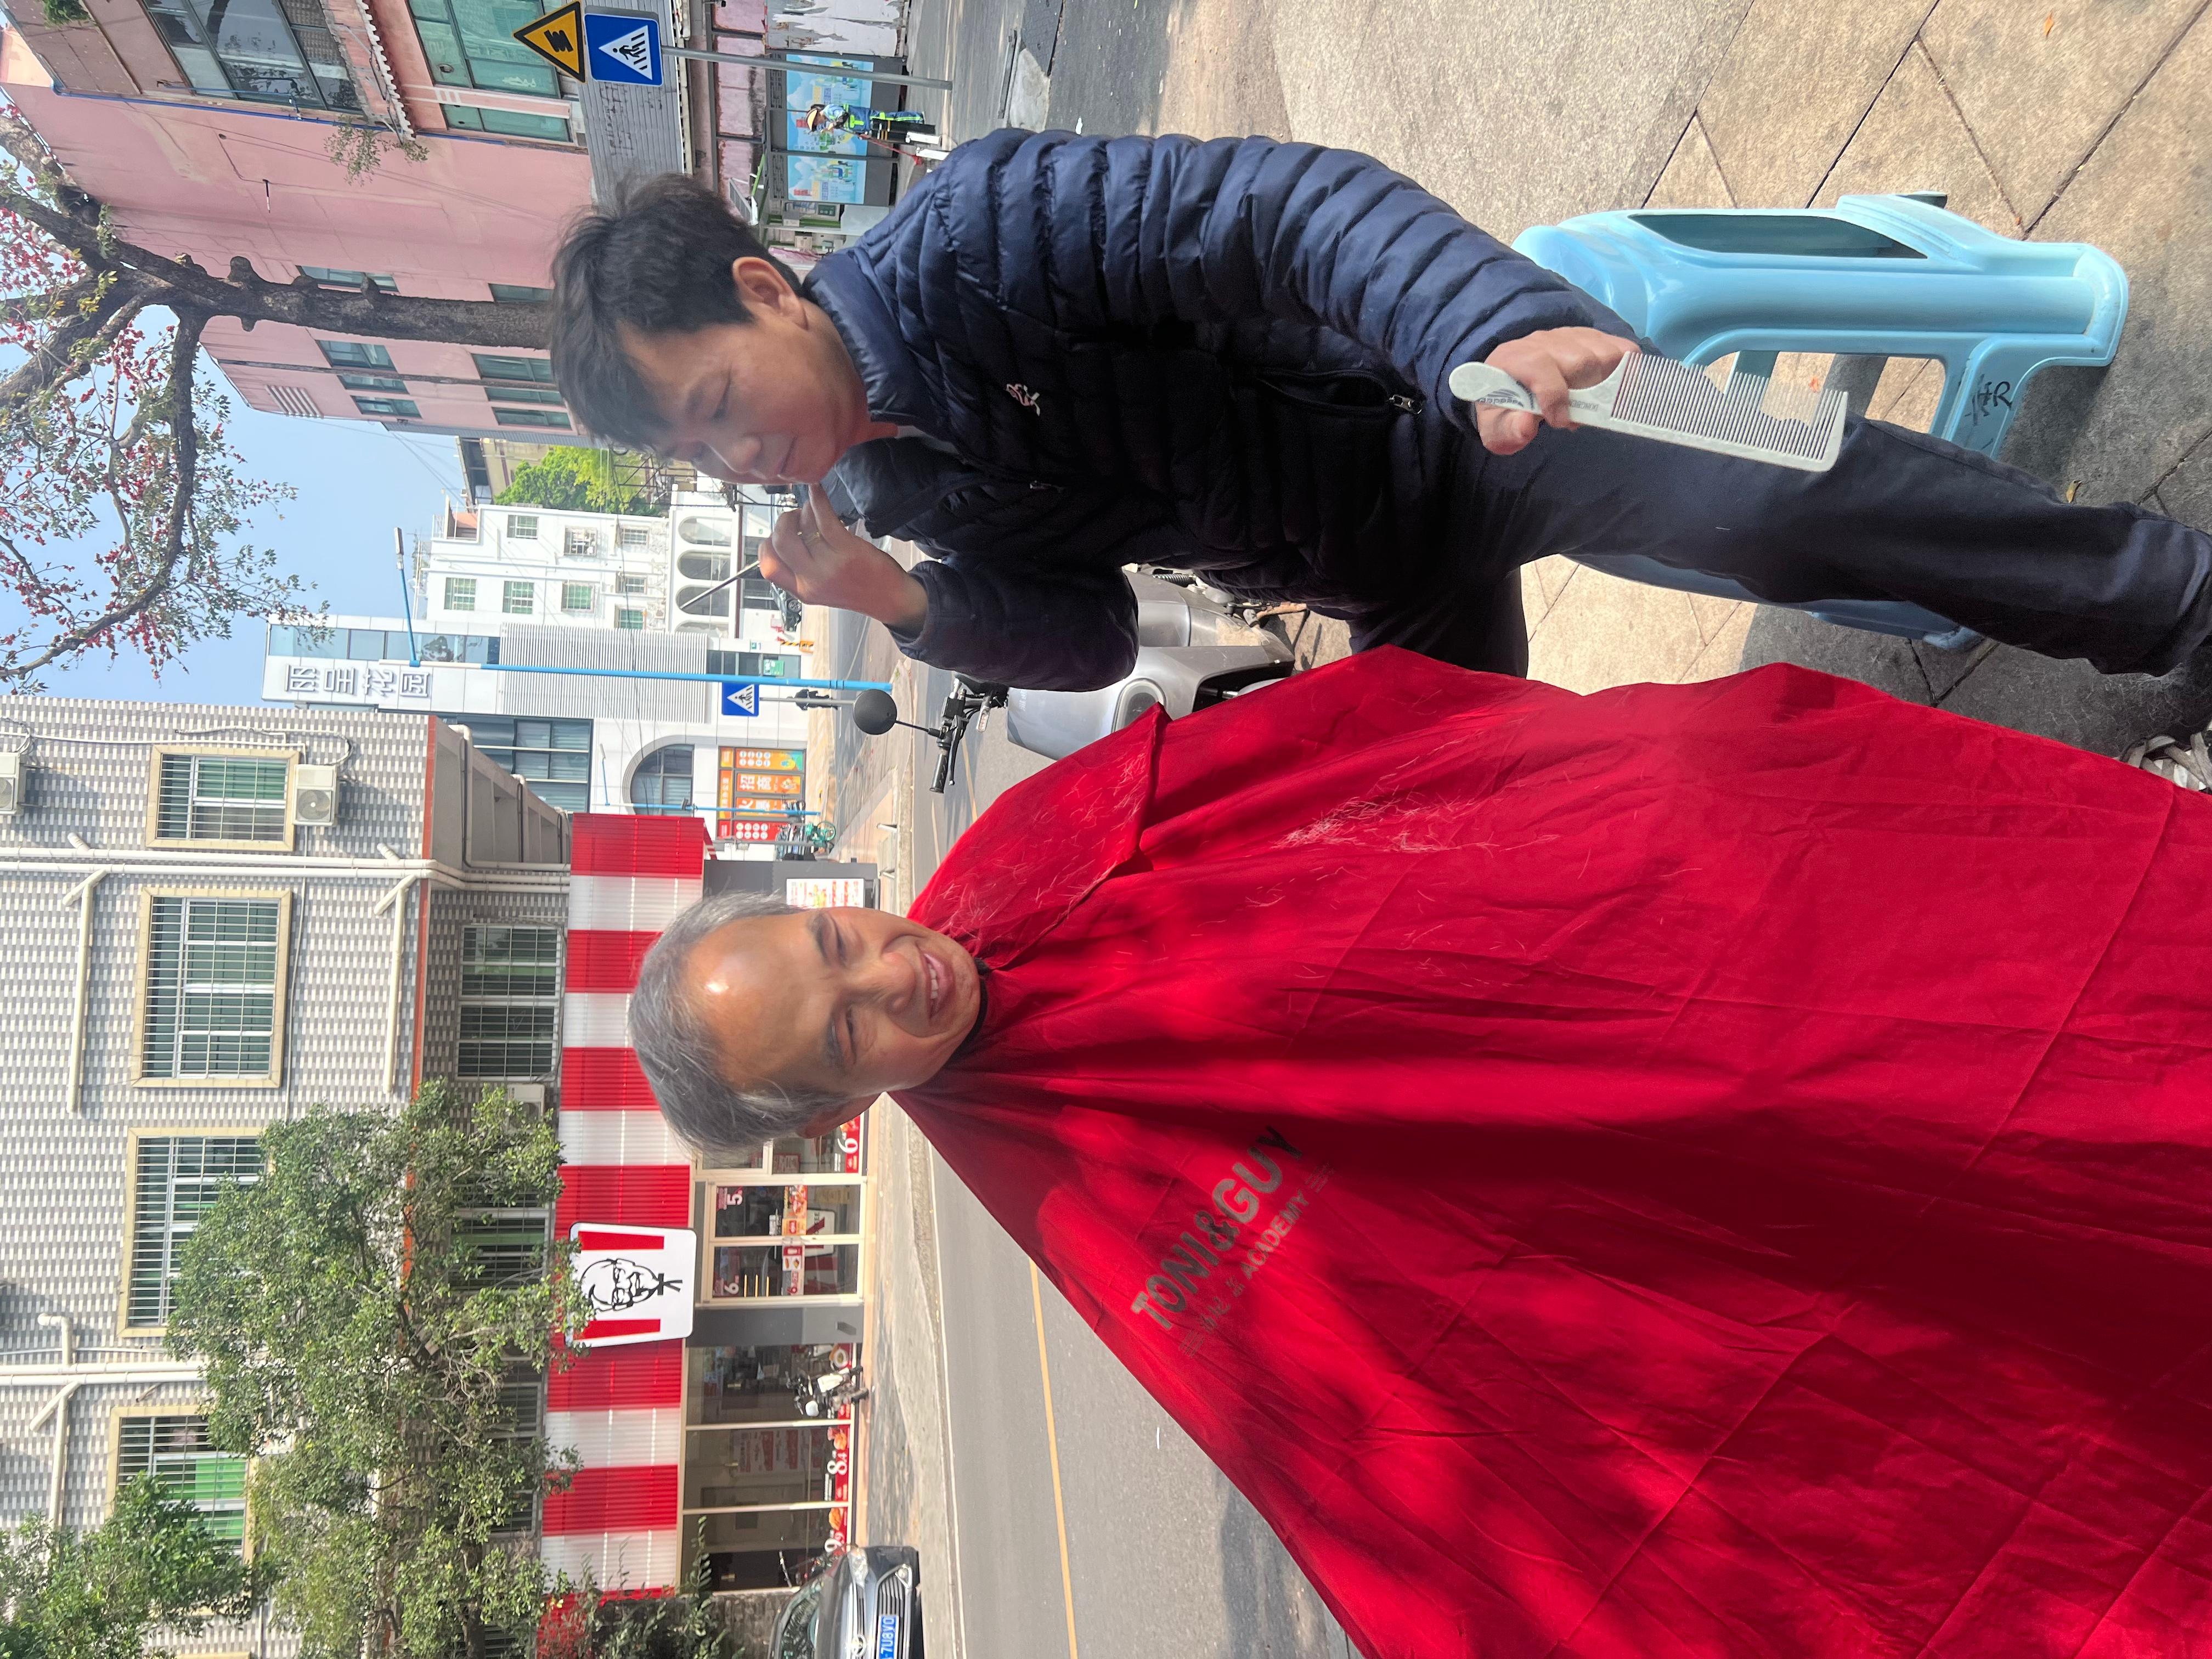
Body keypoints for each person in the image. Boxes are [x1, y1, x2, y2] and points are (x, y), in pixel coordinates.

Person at [630, 648, 2212, 1658]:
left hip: (1648, 933)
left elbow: (1348, 747)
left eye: (838, 940)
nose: (893, 976)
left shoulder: (1023, 850)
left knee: (1993, 993)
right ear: (837, 1119)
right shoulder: (1060, 1188)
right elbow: (1375, 1391)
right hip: (1632, 1166)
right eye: (847, 1033)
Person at [549, 131, 2212, 692]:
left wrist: (1491, 323)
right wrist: (906, 605)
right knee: (1445, 855)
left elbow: (1282, 214)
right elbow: (1095, 638)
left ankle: (2177, 600)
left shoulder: (982, 236)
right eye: (698, 455)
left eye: (717, 404)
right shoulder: (901, 501)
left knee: (1776, 485)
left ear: (765, 288)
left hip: (1459, 402)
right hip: (1376, 573)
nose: (740, 455)